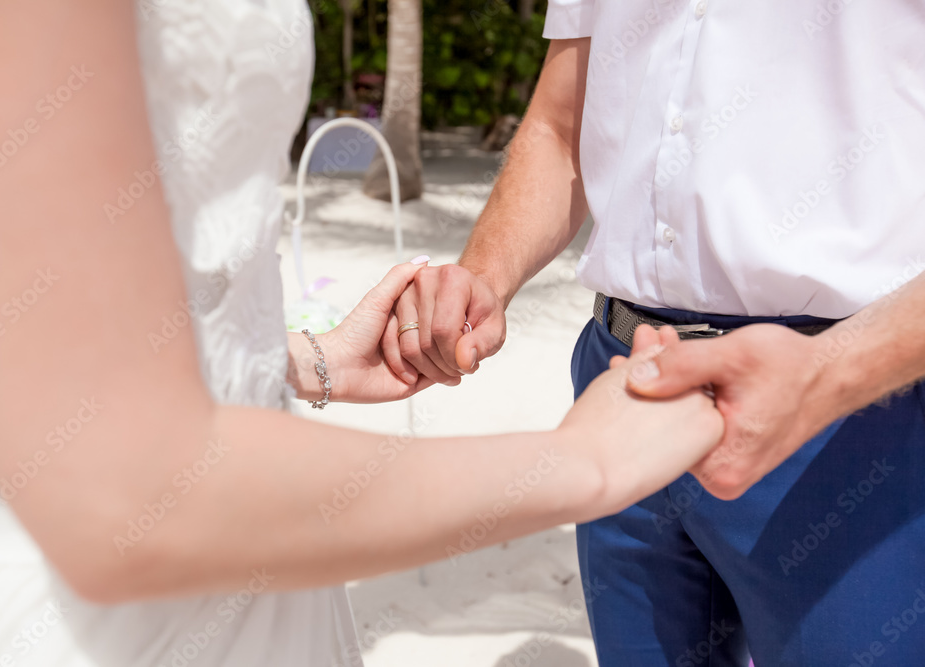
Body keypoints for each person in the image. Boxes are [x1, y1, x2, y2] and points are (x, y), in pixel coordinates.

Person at [0, 1, 724, 665]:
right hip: (77, 599)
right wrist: (580, 462)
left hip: (258, 551)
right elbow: (118, 493)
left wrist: (303, 358)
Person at [386, 2, 925, 665]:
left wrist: (830, 373)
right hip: (623, 383)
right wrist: (482, 276)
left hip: (849, 406)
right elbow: (560, 128)